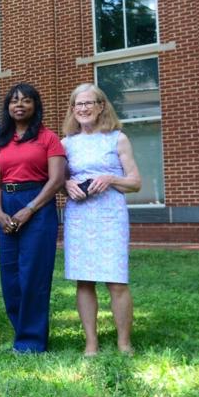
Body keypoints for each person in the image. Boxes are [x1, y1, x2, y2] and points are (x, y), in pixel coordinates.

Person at [61, 83, 142, 356]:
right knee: (84, 281)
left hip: (110, 214)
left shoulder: (116, 138)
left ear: (101, 106)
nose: (83, 109)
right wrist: (67, 184)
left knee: (116, 281)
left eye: (88, 103)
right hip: (79, 215)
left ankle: (124, 342)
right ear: (72, 110)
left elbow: (135, 182)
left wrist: (111, 178)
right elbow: (58, 179)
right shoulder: (66, 144)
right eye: (78, 104)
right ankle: (91, 343)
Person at [0, 83, 66, 353]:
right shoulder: (1, 140)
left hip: (38, 206)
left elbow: (56, 180)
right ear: (7, 107)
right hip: (6, 206)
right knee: (10, 276)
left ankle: (31, 342)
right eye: (14, 101)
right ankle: (21, 331)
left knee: (33, 274)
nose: (19, 105)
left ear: (36, 105)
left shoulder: (48, 138)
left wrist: (30, 208)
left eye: (26, 101)